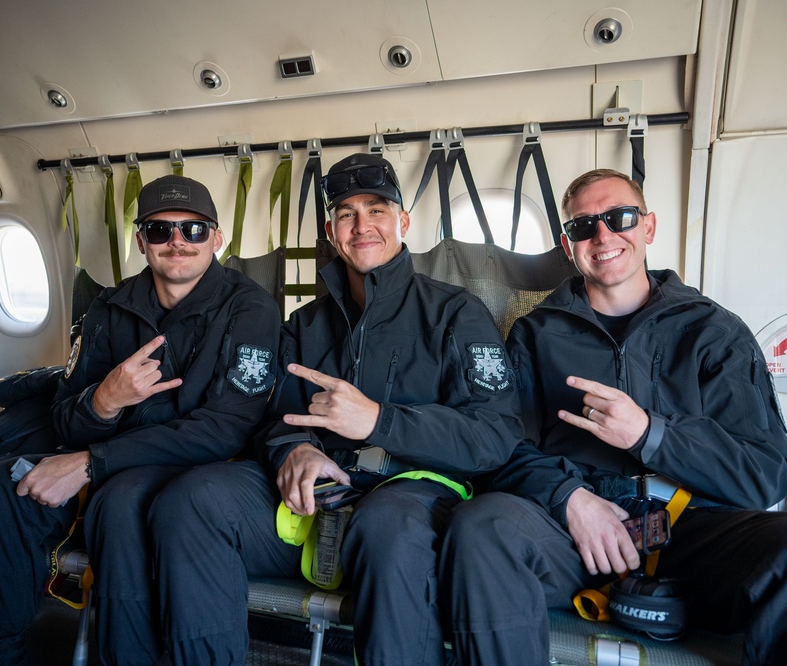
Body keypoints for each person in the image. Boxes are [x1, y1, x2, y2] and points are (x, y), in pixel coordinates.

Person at [440, 168, 787, 665]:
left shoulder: (714, 332)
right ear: (569, 246)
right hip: (572, 531)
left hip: (692, 533)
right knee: (481, 526)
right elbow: (500, 447)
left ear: (648, 227)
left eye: (619, 217)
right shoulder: (535, 335)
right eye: (583, 226)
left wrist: (651, 435)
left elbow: (766, 473)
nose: (603, 235)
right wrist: (570, 499)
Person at [149, 152, 523, 665]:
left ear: (403, 222)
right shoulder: (304, 325)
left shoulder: (457, 314)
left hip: (413, 497)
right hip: (314, 502)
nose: (362, 225)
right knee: (190, 498)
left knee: (386, 525)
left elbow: (495, 434)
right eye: (346, 213)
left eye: (377, 209)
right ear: (331, 229)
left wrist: (378, 420)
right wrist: (293, 452)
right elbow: (272, 416)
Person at [0, 174, 282, 665]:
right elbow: (66, 419)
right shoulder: (108, 308)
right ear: (140, 240)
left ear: (218, 238)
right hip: (104, 455)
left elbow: (225, 430)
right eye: (159, 230)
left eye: (193, 230)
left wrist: (93, 463)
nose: (177, 241)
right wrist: (104, 402)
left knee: (123, 499)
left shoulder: (250, 308)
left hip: (191, 467)